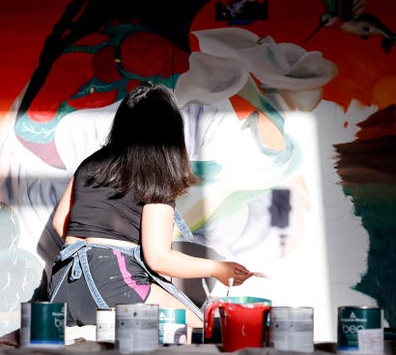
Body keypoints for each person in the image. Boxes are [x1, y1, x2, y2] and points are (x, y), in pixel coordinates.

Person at [48, 81, 253, 330]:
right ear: (170, 133)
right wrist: (217, 268)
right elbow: (158, 258)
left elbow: (61, 223)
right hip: (113, 280)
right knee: (199, 331)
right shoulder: (155, 172)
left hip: (64, 284)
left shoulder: (91, 163)